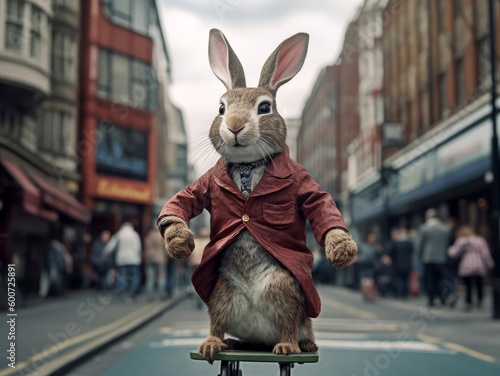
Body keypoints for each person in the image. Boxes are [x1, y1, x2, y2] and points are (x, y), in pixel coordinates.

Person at [448, 225, 495, 311]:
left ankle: (468, 302)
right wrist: (490, 264)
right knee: (479, 284)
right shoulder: (480, 240)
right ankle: (480, 300)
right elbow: (485, 254)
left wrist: (449, 249)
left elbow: (453, 253)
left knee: (468, 285)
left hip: (466, 264)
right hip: (479, 264)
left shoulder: (461, 241)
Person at [416, 208, 452, 307]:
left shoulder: (424, 228)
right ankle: (442, 298)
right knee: (440, 279)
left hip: (428, 258)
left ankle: (431, 299)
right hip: (441, 258)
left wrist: (419, 257)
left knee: (430, 280)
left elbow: (419, 245)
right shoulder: (445, 229)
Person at [103, 220, 142, 303]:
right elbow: (138, 247)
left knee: (122, 276)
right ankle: (131, 293)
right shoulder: (134, 235)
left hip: (122, 259)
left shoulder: (119, 234)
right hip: (133, 259)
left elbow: (111, 245)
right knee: (135, 277)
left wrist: (105, 253)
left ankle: (123, 293)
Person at [144, 227, 167, 301]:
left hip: (150, 259)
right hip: (160, 259)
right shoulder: (161, 236)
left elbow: (146, 246)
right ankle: (161, 294)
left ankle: (150, 297)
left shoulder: (148, 236)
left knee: (150, 279)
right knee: (161, 277)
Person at [390, 228, 414, 298]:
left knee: (399, 279)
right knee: (406, 279)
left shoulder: (396, 243)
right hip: (407, 264)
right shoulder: (409, 243)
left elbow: (392, 254)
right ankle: (405, 293)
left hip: (398, 264)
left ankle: (400, 293)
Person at [356, 233, 378, 301]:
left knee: (370, 281)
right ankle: (366, 293)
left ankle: (369, 294)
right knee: (364, 281)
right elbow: (357, 254)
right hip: (363, 265)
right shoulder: (363, 246)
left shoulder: (375, 247)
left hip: (371, 266)